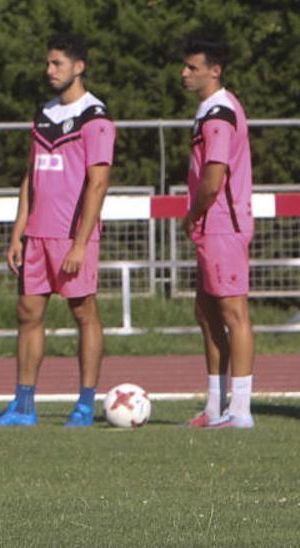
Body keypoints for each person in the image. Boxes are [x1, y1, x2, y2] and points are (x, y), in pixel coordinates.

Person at [0, 34, 115, 428]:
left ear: (79, 66)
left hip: (72, 237)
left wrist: (80, 243)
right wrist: (18, 232)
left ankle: (85, 405)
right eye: (48, 63)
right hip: (37, 236)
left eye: (57, 63)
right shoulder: (43, 115)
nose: (49, 71)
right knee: (27, 313)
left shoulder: (96, 118)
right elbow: (30, 177)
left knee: (83, 312)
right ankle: (23, 407)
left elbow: (97, 184)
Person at [179, 35, 255, 429]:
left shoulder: (221, 112)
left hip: (223, 224)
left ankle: (240, 411)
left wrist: (192, 214)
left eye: (193, 67)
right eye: (185, 66)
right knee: (207, 313)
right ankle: (214, 406)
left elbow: (213, 178)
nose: (184, 73)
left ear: (215, 70)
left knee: (233, 313)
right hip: (211, 227)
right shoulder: (208, 110)